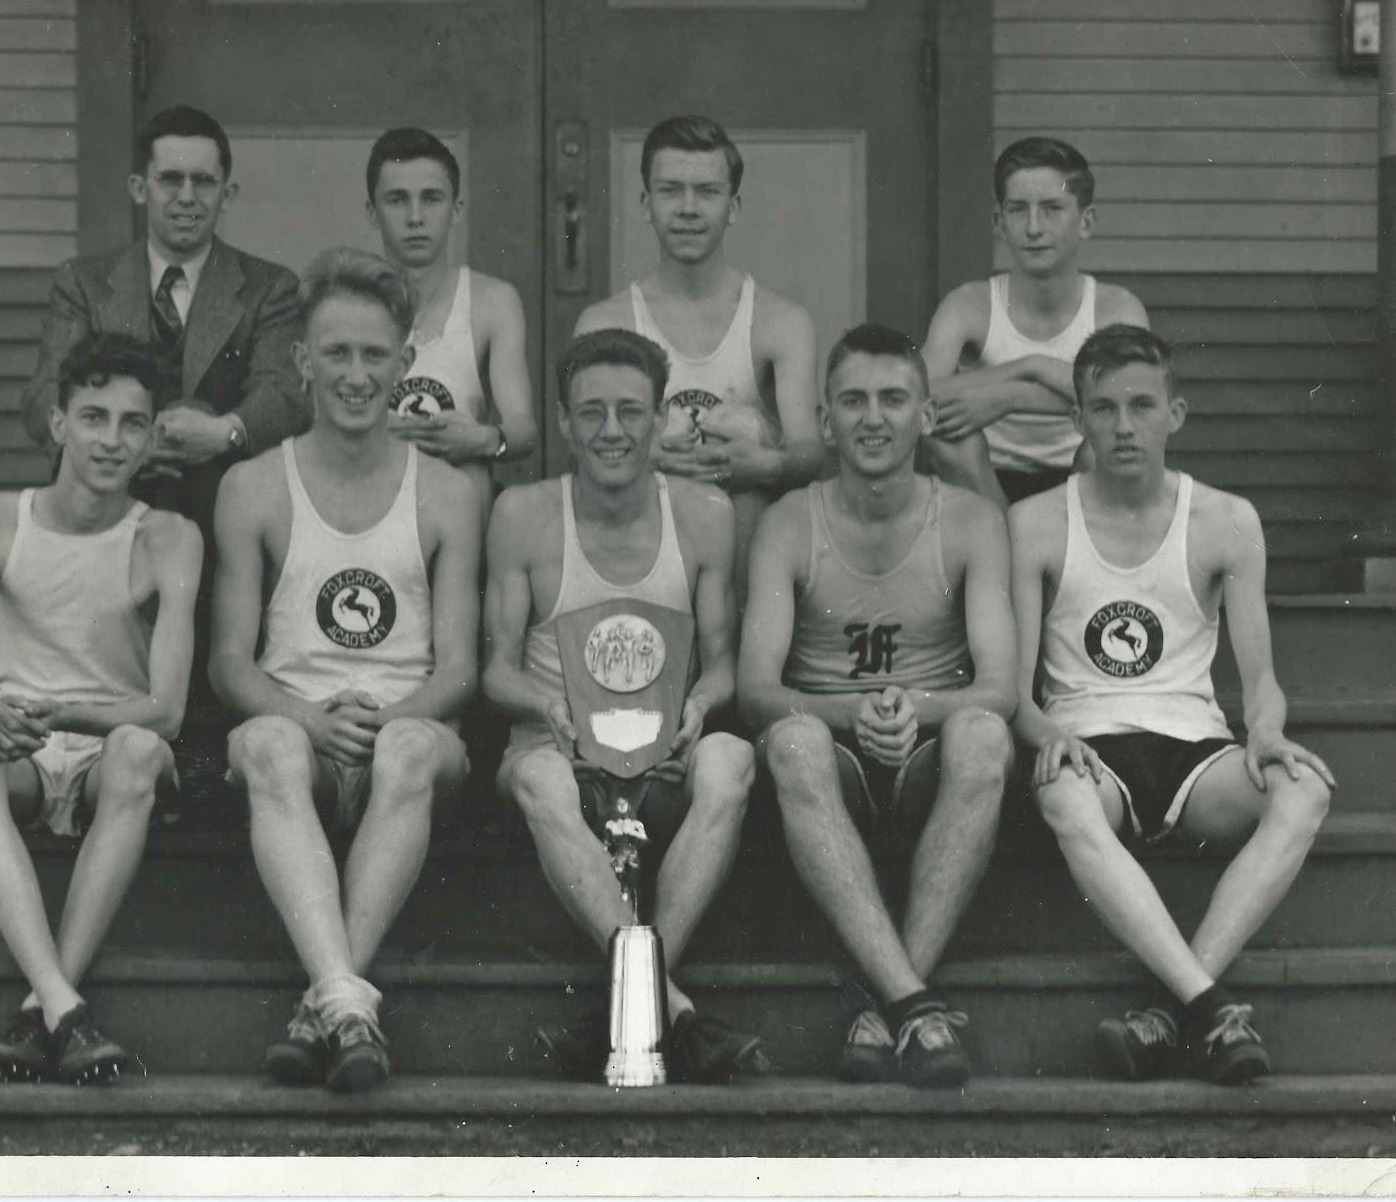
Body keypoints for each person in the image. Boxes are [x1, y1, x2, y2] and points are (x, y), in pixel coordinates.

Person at [1009, 324, 1335, 1085]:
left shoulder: (1225, 519)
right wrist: (1046, 732)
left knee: (1306, 788)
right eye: (1102, 409)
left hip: (1195, 752)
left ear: (1174, 414)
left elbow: (1259, 680)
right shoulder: (1033, 522)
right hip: (1089, 749)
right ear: (1077, 420)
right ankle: (1206, 1006)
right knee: (1060, 793)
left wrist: (1265, 732)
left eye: (1141, 406)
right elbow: (1014, 689)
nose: (1123, 427)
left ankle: (1171, 1008)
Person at [208, 249, 479, 1093]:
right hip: (301, 731)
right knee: (262, 745)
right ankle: (347, 1005)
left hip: (412, 736)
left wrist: (398, 716)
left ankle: (321, 1000)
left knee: (406, 752)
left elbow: (461, 665)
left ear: (404, 364)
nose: (356, 375)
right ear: (302, 362)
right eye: (336, 354)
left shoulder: (447, 492)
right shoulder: (252, 485)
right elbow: (227, 661)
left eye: (374, 355)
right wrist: (308, 717)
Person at [739, 323, 1016, 1088]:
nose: (873, 418)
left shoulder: (968, 520)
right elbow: (755, 689)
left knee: (984, 736)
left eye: (894, 399)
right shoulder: (789, 521)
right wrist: (849, 712)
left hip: (925, 756)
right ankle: (914, 1004)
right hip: (831, 761)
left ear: (925, 416)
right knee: (790, 743)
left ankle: (891, 1000)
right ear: (824, 420)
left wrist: (917, 708)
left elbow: (999, 687)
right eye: (853, 400)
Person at [484, 328, 761, 1084]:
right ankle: (667, 1007)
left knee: (732, 759)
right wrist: (550, 705)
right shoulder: (523, 513)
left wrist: (702, 703)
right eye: (592, 412)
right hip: (559, 754)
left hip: (665, 749)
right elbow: (495, 671)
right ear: (566, 423)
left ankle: (632, 999)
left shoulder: (704, 513)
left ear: (661, 417)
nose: (611, 430)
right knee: (539, 779)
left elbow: (725, 663)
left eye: (631, 411)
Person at [0, 335, 202, 1085]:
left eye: (131, 423)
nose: (111, 440)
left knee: (141, 755)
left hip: (105, 745)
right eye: (93, 417)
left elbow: (166, 711)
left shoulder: (168, 537)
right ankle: (61, 1006)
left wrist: (62, 713)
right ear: (58, 424)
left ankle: (42, 1006)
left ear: (152, 437)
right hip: (23, 742)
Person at [21, 105, 308, 774]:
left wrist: (226, 430)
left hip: (221, 498)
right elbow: (42, 400)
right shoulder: (85, 284)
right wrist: (124, 440)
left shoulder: (268, 286)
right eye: (170, 179)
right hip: (114, 497)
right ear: (139, 188)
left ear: (226, 192)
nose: (186, 198)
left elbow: (285, 394)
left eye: (203, 182)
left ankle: (210, 753)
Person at [574, 115, 824, 597]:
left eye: (707, 192)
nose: (688, 208)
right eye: (671, 191)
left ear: (733, 208)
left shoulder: (779, 321)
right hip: (638, 518)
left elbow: (808, 451)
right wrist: (646, 457)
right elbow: (582, 449)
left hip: (742, 528)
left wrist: (760, 465)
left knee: (747, 444)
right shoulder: (604, 322)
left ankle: (736, 654)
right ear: (646, 204)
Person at [921, 137, 1148, 508]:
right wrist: (1055, 381)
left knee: (1104, 441)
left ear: (1085, 222)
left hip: (1085, 481)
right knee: (946, 438)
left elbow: (1133, 398)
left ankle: (1063, 549)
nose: (1033, 228)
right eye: (1017, 210)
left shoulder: (1115, 308)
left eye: (1051, 209)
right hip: (985, 482)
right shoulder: (970, 304)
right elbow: (920, 397)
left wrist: (1018, 386)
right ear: (999, 222)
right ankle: (1007, 543)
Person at [365, 127, 538, 524]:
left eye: (431, 199)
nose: (415, 217)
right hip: (364, 489)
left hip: (453, 501)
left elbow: (522, 428)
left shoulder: (492, 301)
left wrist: (484, 439)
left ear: (456, 210)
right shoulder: (347, 300)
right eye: (396, 200)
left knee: (472, 475)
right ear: (372, 213)